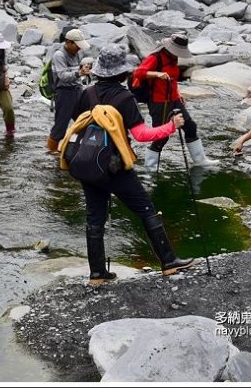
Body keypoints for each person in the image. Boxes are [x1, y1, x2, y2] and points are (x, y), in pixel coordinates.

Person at [70, 43, 196, 284]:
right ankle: (168, 261)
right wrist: (172, 126)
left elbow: (79, 121)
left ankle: (97, 274)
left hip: (87, 164)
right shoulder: (125, 97)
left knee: (94, 218)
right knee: (146, 209)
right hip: (115, 166)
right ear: (122, 73)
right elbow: (141, 135)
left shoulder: (87, 93)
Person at [132, 32, 217, 169]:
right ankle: (150, 168)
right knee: (161, 137)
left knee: (190, 127)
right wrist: (157, 74)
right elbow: (138, 73)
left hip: (174, 99)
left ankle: (200, 160)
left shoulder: (173, 58)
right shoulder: (156, 57)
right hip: (158, 102)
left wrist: (178, 93)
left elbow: (173, 79)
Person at [47, 28, 91, 154]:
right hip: (64, 93)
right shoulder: (59, 55)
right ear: (68, 42)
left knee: (84, 122)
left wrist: (85, 73)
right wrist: (79, 73)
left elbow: (76, 73)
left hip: (77, 91)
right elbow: (63, 77)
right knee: (60, 127)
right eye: (77, 45)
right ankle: (51, 153)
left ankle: (77, 147)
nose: (79, 48)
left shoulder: (77, 53)